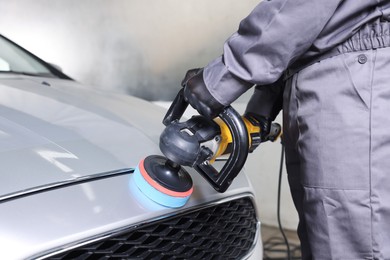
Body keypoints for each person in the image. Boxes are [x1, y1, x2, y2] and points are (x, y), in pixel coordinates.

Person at [180, 1, 390, 259]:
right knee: (325, 234)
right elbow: (303, 33)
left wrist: (219, 78)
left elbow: (298, 8)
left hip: (351, 83)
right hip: (334, 78)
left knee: (351, 240)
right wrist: (262, 108)